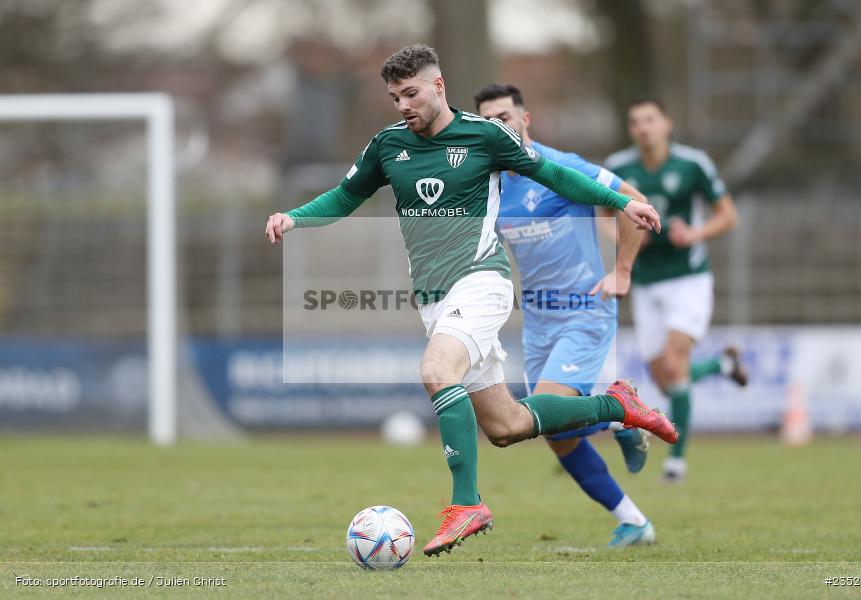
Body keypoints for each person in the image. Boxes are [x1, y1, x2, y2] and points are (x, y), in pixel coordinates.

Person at [265, 45, 675, 557]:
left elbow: (553, 174)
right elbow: (344, 199)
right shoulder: (388, 146)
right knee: (506, 426)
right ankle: (617, 405)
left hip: (481, 281)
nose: (403, 105)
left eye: (411, 93)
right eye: (395, 97)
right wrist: (295, 218)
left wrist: (622, 202)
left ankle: (466, 504)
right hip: (434, 298)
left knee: (438, 372)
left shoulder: (485, 136)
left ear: (438, 85)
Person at [475, 83, 656, 547]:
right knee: (556, 433)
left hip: (584, 312)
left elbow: (634, 201)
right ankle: (634, 520)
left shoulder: (562, 167)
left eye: (505, 117)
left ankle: (620, 413)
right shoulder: (492, 185)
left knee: (546, 414)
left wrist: (621, 269)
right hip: (538, 323)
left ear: (525, 119)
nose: (499, 126)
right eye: (488, 121)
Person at [604, 98, 749, 483]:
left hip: (689, 277)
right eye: (635, 121)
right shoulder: (619, 167)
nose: (643, 127)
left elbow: (727, 215)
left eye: (650, 119)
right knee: (665, 377)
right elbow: (599, 215)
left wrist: (695, 234)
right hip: (647, 282)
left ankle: (676, 463)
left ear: (666, 123)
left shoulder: (692, 164)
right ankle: (723, 365)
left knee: (673, 364)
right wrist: (622, 240)